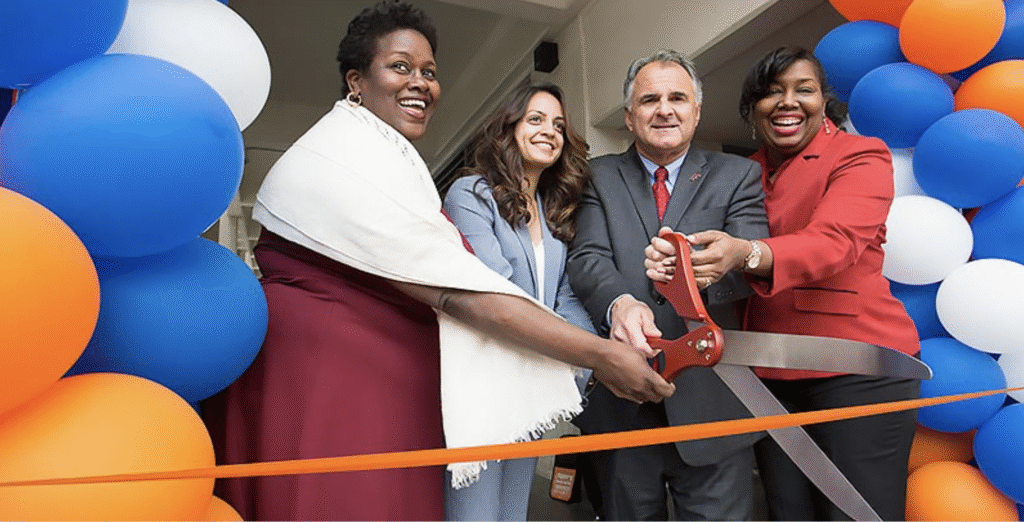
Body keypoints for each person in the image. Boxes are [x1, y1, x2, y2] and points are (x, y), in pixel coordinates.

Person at [201, 2, 674, 521]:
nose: (420, 83)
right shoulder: (341, 159)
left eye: (429, 71)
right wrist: (598, 355)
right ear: (356, 81)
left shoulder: (390, 155)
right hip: (330, 394)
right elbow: (461, 291)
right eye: (400, 67)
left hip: (402, 394)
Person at [645, 46, 921, 521]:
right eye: (772, 92)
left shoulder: (860, 155)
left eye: (803, 90)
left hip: (857, 369)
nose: (788, 102)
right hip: (767, 374)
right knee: (788, 512)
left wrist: (746, 253)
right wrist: (681, 259)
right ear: (753, 108)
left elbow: (835, 242)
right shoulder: (739, 173)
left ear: (823, 101)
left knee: (858, 515)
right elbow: (709, 248)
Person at [565, 49, 769, 521]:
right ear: (629, 117)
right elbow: (587, 257)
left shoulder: (738, 174)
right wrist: (619, 303)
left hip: (713, 400)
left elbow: (750, 263)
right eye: (649, 99)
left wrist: (700, 272)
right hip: (621, 402)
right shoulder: (596, 175)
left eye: (677, 98)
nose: (664, 110)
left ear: (696, 111)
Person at [442, 82, 595, 521]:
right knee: (475, 514)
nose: (550, 131)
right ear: (508, 129)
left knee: (513, 514)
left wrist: (580, 362)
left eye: (559, 125)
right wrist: (572, 351)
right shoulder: (471, 193)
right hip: (485, 380)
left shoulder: (553, 208)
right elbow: (496, 287)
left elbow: (567, 294)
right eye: (536, 119)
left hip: (532, 384)